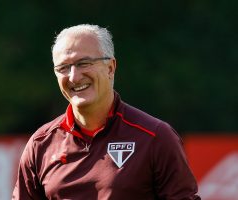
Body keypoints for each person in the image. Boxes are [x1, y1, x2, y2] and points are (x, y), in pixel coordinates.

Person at [12, 24, 201, 200]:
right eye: (63, 68)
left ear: (110, 68)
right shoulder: (41, 144)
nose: (74, 76)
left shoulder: (155, 137)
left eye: (83, 63)